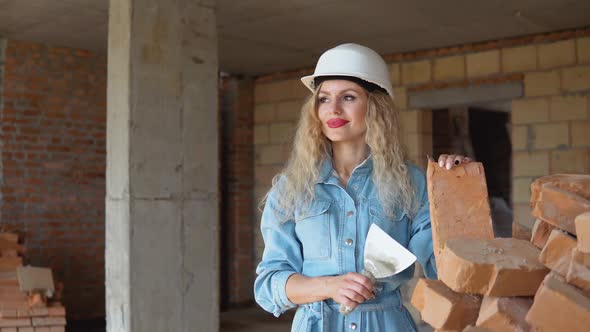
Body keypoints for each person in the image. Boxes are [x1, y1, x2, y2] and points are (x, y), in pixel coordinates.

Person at [254, 43, 470, 332]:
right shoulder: (291, 188)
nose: (333, 109)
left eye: (349, 97)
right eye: (324, 99)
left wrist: (456, 190)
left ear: (375, 107)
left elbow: (447, 271)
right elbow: (269, 286)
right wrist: (331, 286)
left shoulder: (412, 183)